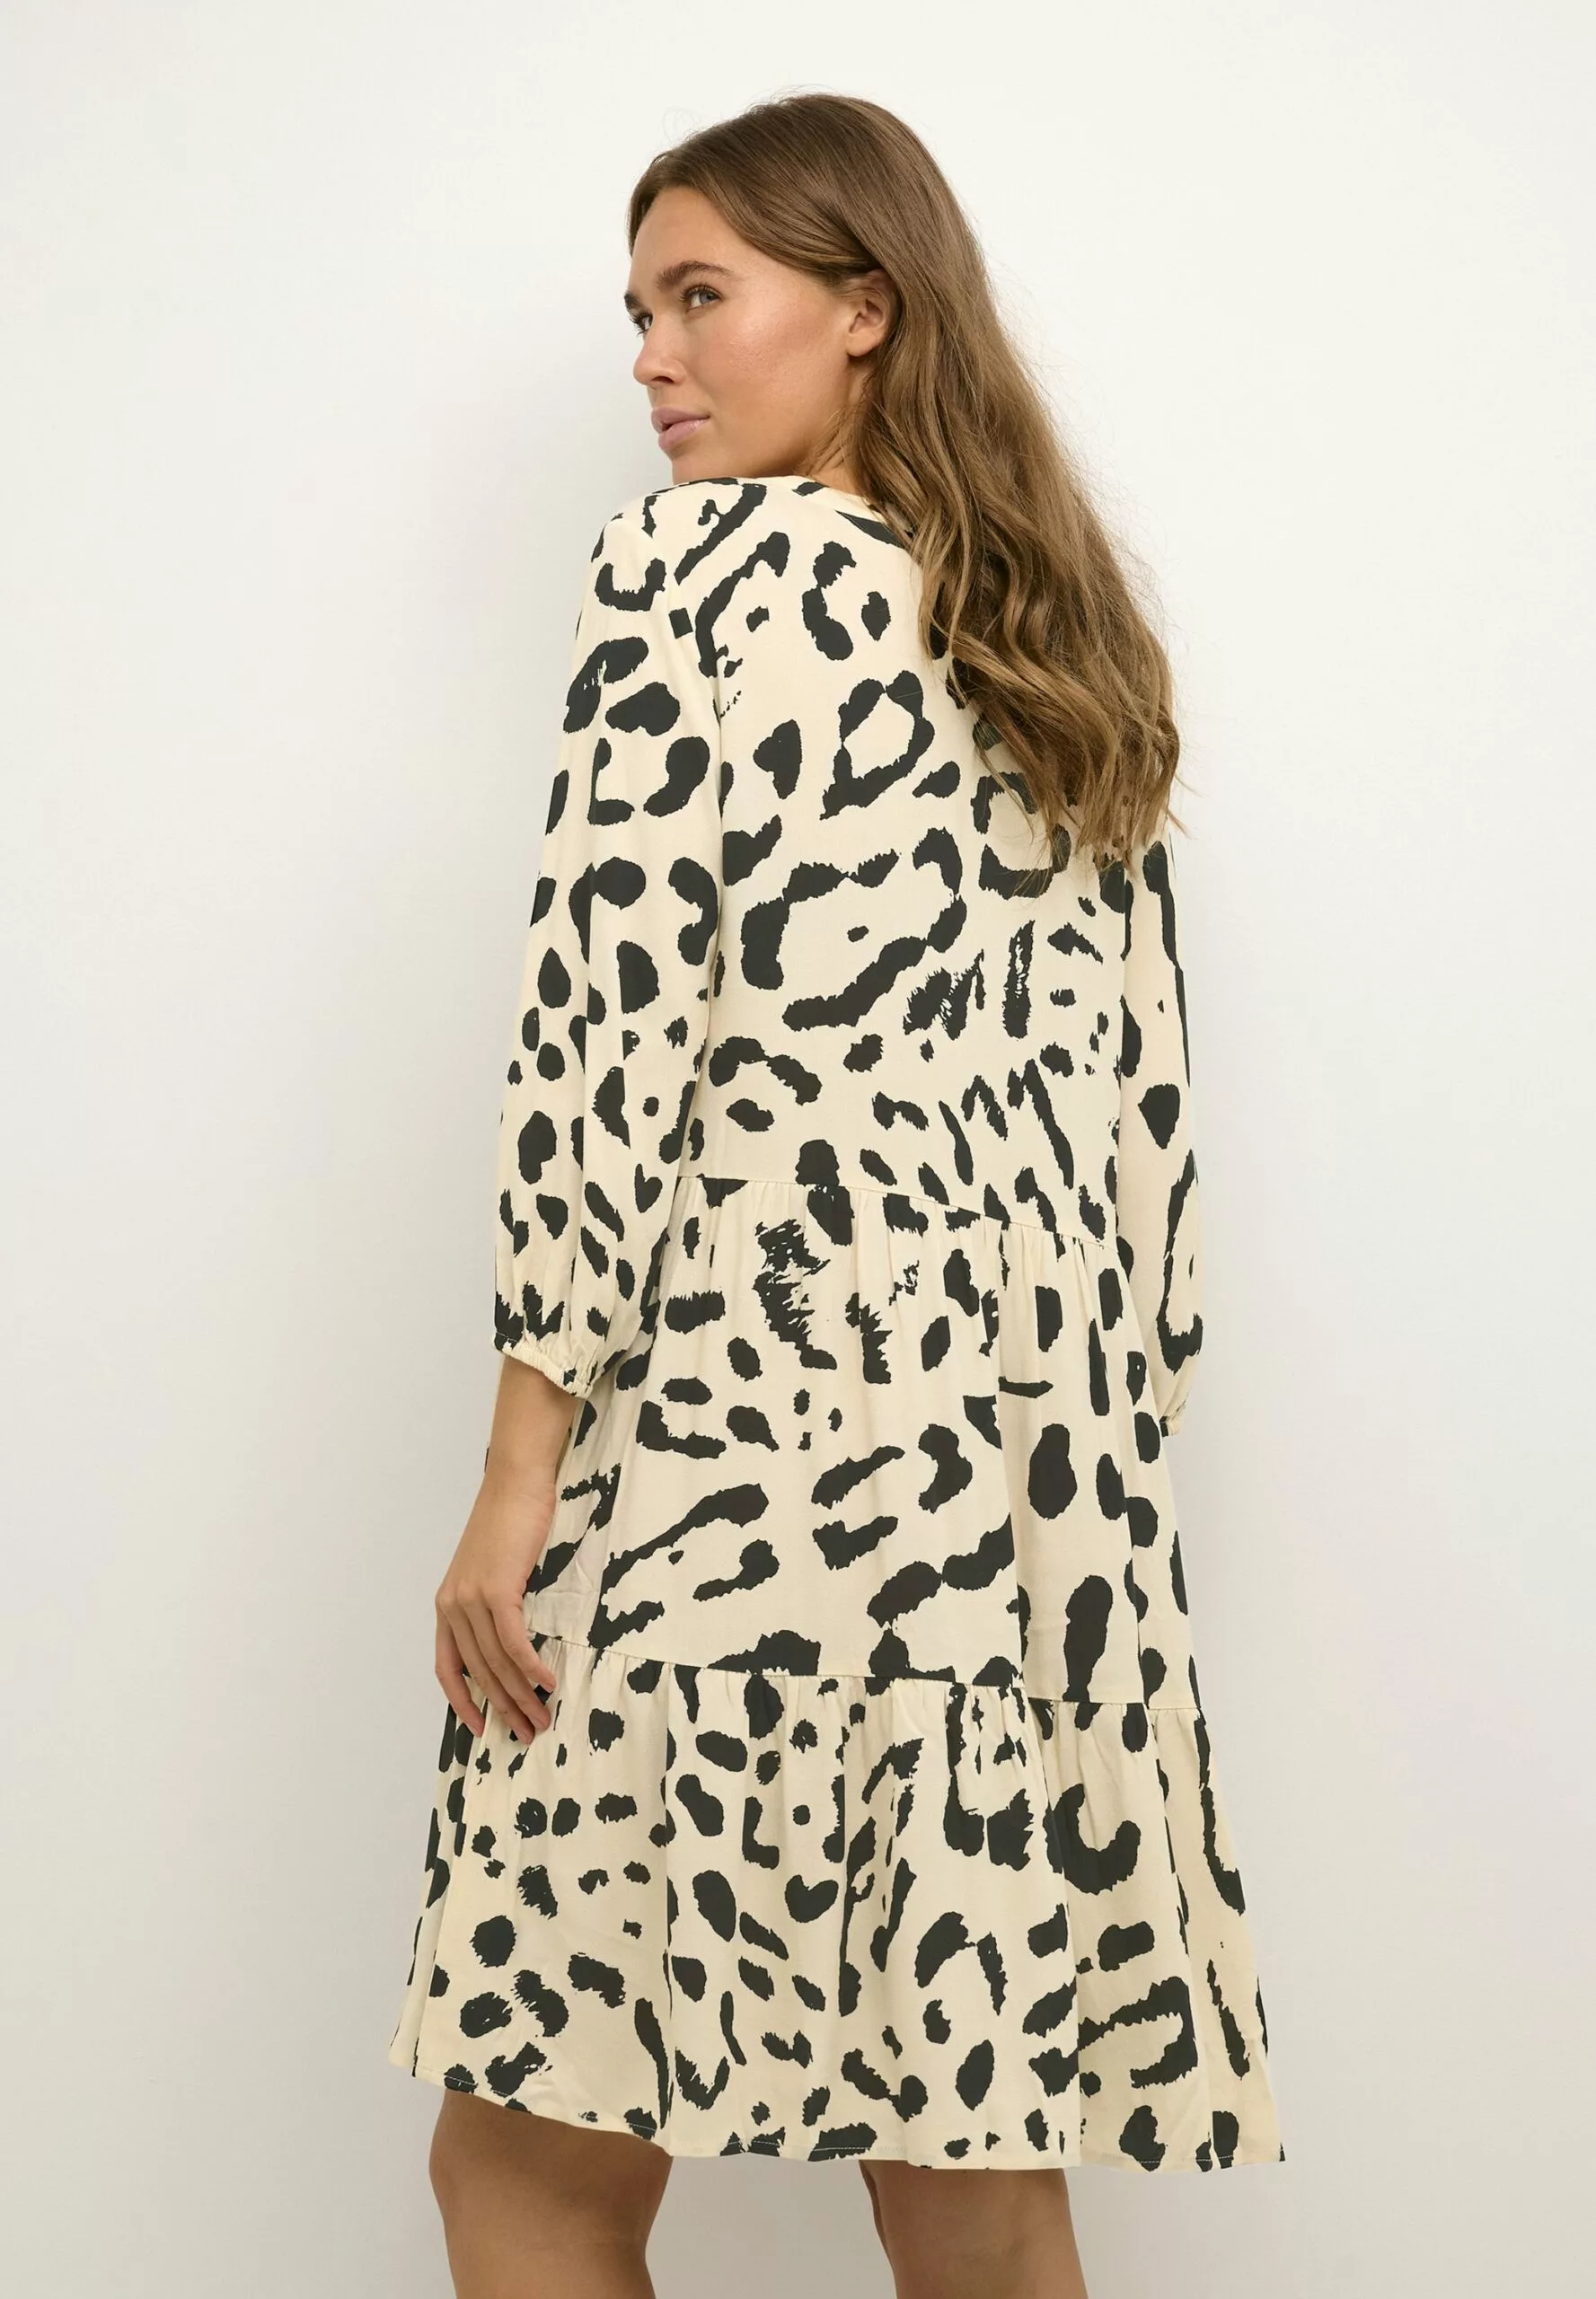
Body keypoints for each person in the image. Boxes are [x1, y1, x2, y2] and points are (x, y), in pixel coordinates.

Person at [386, 90, 1284, 2299]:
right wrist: (1078, 1478)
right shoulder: (1066, 651)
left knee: (532, 2148)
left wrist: (518, 1477)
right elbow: (1150, 1149)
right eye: (638, 309)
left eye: (701, 296)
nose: (653, 357)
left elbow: (603, 1040)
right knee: (964, 2155)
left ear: (867, 307)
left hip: (726, 1455)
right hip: (1016, 1498)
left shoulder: (690, 578)